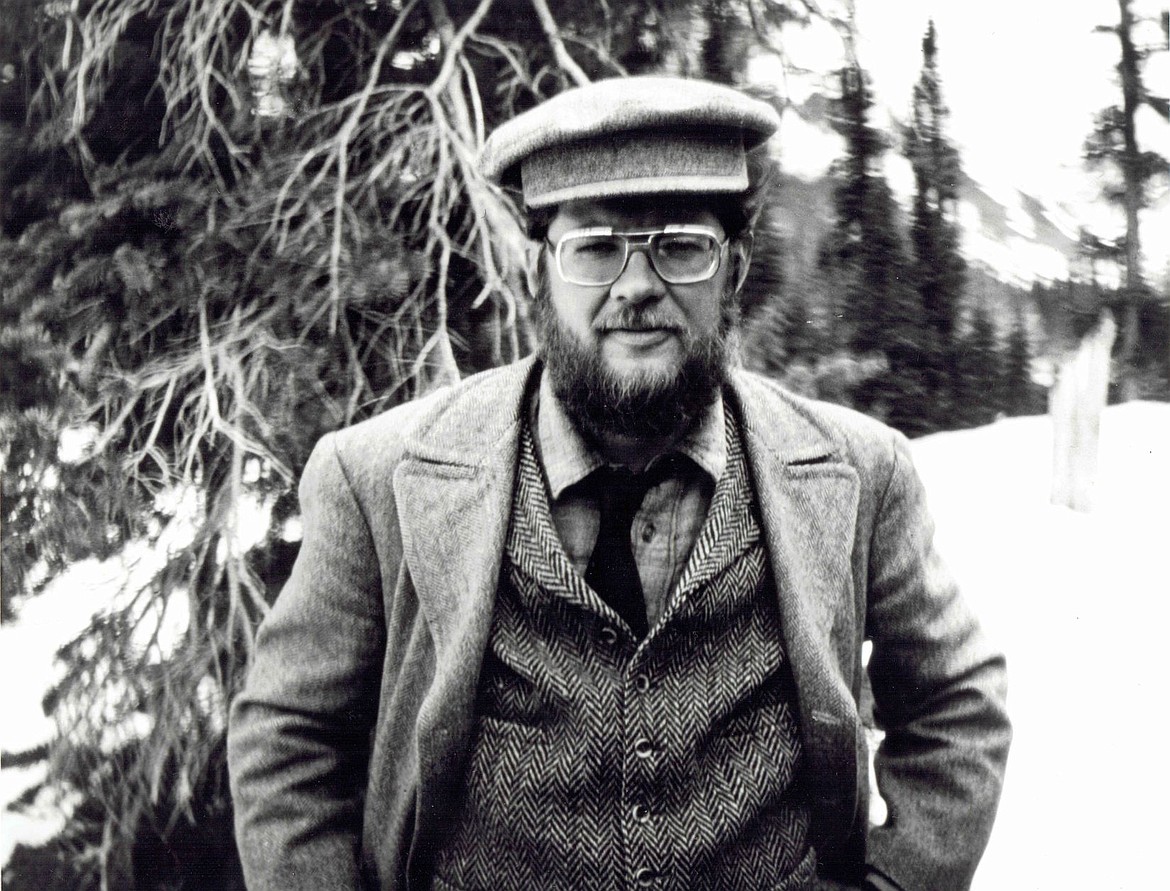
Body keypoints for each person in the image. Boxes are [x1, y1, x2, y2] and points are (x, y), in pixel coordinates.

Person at [228, 76, 1010, 891]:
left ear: (734, 270)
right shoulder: (377, 479)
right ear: (541, 272)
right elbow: (287, 738)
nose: (636, 286)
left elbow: (959, 701)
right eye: (595, 247)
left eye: (681, 245)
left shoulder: (860, 472)